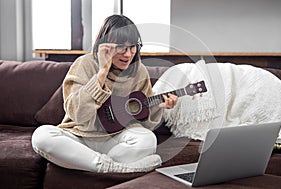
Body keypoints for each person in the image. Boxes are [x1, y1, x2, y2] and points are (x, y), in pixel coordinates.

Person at [31, 15, 178, 173]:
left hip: (117, 138)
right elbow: (78, 114)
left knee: (148, 140)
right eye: (121, 47)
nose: (128, 55)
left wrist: (158, 107)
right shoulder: (84, 64)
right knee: (42, 136)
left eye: (133, 47)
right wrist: (102, 72)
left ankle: (89, 162)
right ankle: (111, 167)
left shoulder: (139, 71)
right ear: (104, 45)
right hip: (79, 135)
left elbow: (145, 125)